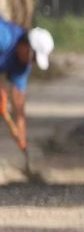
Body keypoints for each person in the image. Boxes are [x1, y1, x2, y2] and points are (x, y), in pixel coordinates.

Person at [0, 19, 54, 151]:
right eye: (33, 58)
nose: (32, 63)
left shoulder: (22, 66)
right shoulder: (4, 38)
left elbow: (18, 104)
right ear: (26, 46)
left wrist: (21, 137)